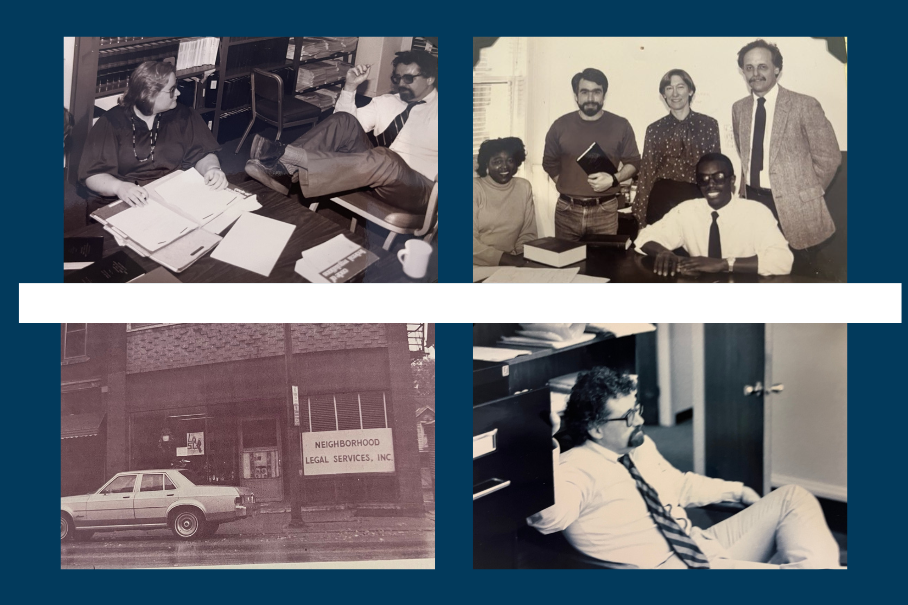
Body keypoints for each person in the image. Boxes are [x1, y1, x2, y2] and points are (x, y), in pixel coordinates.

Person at [528, 366, 842, 569]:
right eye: (626, 417)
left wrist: (736, 490)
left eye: (636, 409)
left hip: (698, 545)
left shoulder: (638, 446)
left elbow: (678, 485)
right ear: (595, 428)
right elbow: (549, 517)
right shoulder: (574, 469)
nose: (639, 420)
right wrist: (546, 450)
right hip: (668, 569)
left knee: (793, 498)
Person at [245, 50, 437, 213]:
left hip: (418, 189)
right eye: (397, 78)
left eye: (409, 78)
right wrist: (350, 87)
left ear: (430, 78)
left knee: (386, 158)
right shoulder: (387, 102)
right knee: (344, 120)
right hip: (375, 170)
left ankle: (291, 155)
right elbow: (345, 129)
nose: (401, 84)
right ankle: (282, 172)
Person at [732, 39, 841, 278]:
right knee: (759, 274)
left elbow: (829, 158)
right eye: (749, 67)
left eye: (762, 66)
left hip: (795, 210)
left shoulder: (804, 105)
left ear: (777, 69)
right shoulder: (739, 108)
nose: (755, 73)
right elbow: (745, 154)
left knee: (796, 278)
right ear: (743, 72)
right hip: (755, 204)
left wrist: (803, 193)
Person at [79, 61, 227, 209]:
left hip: (174, 191)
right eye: (172, 89)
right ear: (149, 94)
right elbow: (92, 175)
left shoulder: (184, 115)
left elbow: (202, 153)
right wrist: (119, 187)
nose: (178, 93)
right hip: (129, 197)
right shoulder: (111, 122)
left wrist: (212, 169)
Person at [634, 153, 793, 277]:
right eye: (704, 179)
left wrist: (724, 264)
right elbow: (644, 237)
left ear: (732, 180)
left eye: (719, 177)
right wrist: (663, 252)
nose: (711, 184)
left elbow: (783, 260)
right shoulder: (688, 210)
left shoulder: (756, 212)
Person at [542, 68, 640, 240]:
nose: (590, 98)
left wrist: (613, 179)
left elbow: (634, 162)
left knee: (604, 266)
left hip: (605, 211)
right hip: (567, 211)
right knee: (566, 265)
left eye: (596, 92)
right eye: (584, 92)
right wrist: (568, 184)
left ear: (604, 95)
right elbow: (549, 162)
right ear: (576, 96)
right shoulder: (560, 125)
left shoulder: (621, 125)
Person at [633, 69, 720, 228]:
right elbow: (646, 173)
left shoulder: (708, 125)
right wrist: (639, 218)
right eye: (669, 88)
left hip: (697, 200)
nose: (675, 93)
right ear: (663, 95)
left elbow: (716, 170)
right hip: (662, 202)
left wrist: (719, 209)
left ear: (690, 90)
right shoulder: (654, 129)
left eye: (680, 87)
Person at [473, 137, 537, 266]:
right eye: (497, 161)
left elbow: (528, 234)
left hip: (511, 264)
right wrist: (508, 260)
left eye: (510, 160)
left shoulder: (523, 187)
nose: (504, 166)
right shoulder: (473, 188)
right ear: (486, 163)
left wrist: (523, 260)